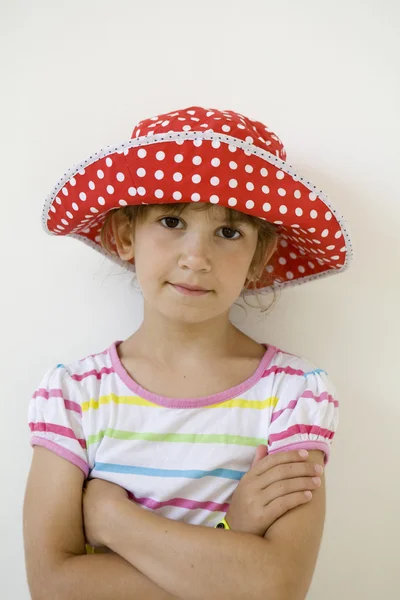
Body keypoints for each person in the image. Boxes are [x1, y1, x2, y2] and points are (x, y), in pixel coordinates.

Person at [23, 106, 352, 600]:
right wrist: (234, 543)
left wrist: (115, 519)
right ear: (126, 235)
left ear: (259, 256)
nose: (196, 258)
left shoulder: (295, 395)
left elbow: (279, 586)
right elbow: (53, 585)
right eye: (172, 220)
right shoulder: (73, 395)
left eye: (228, 232)